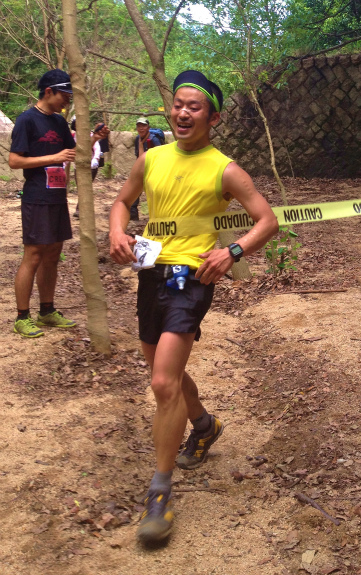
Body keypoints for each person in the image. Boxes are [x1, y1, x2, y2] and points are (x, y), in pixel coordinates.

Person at [109, 70, 279, 545]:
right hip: (151, 273)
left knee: (162, 381)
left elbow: (267, 221)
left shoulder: (225, 168)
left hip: (192, 279)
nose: (183, 113)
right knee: (168, 372)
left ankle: (159, 494)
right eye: (179, 105)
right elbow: (122, 202)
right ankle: (203, 425)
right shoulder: (152, 158)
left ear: (213, 117)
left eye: (195, 107)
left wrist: (232, 252)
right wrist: (117, 231)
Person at [9, 69, 78, 339]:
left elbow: (71, 152)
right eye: (64, 95)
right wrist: (53, 157)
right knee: (34, 255)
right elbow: (15, 161)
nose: (66, 101)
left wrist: (95, 139)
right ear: (48, 91)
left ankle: (47, 311)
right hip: (37, 196)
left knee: (52, 256)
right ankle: (22, 317)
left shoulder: (60, 123)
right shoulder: (27, 120)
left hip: (57, 195)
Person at [130, 117, 165, 222]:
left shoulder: (154, 139)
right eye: (139, 126)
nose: (141, 128)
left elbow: (162, 156)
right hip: (142, 169)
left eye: (143, 126)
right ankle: (133, 215)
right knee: (134, 190)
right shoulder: (138, 139)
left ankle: (159, 216)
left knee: (155, 193)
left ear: (148, 127)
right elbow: (139, 157)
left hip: (155, 170)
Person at [71, 119, 106, 219]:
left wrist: (95, 160)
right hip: (78, 166)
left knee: (86, 187)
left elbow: (97, 148)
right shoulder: (74, 137)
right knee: (80, 188)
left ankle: (81, 210)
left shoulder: (90, 135)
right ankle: (82, 209)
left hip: (91, 166)